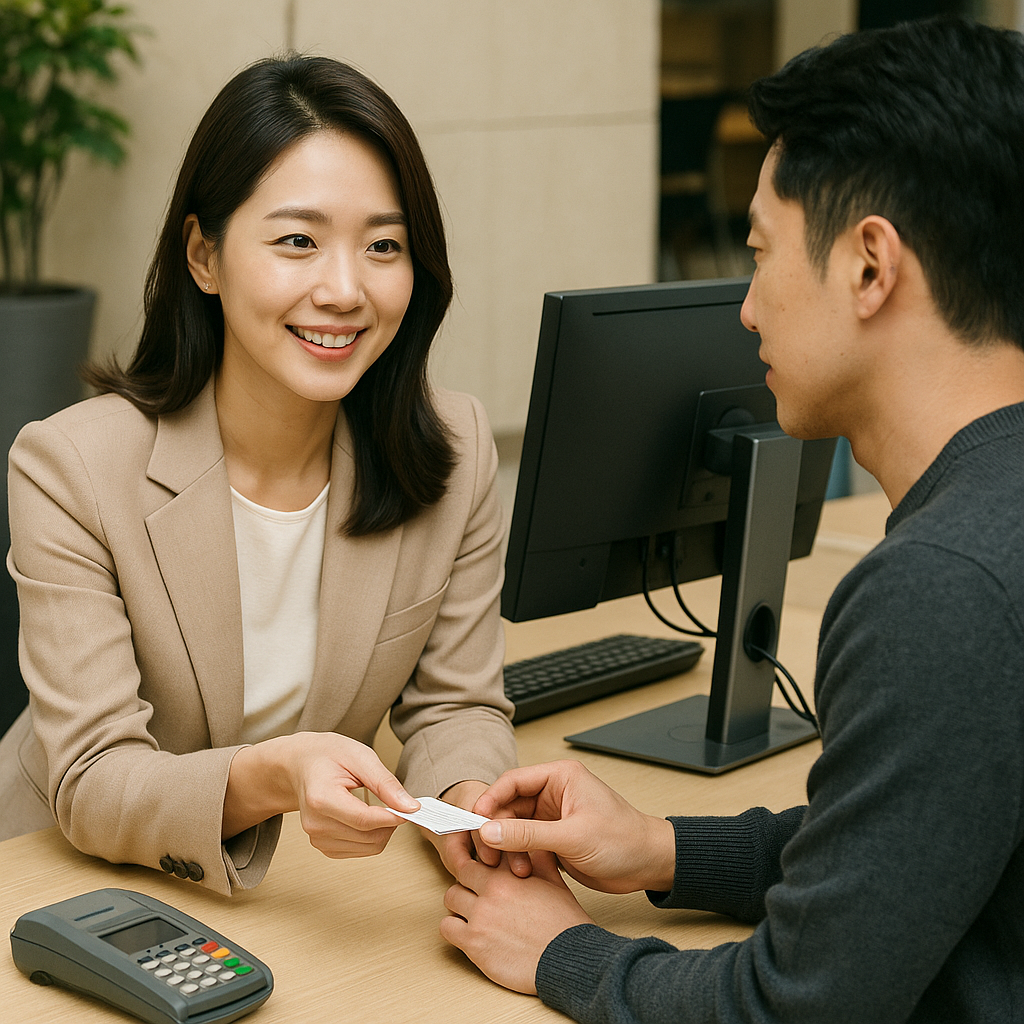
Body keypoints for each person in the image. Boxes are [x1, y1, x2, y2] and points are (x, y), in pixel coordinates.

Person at [440, 16, 1024, 1023]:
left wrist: (562, 955)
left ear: (870, 267)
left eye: (760, 253)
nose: (746, 309)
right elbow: (908, 843)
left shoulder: (942, 585)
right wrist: (666, 849)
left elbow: (794, 1006)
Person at [0, 56, 517, 896]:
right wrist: (278, 776)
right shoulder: (73, 467)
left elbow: (453, 707)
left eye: (383, 245)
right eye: (297, 242)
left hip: (296, 894)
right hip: (63, 885)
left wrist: (471, 817)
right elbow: (94, 776)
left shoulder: (453, 451)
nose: (345, 289)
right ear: (204, 255)